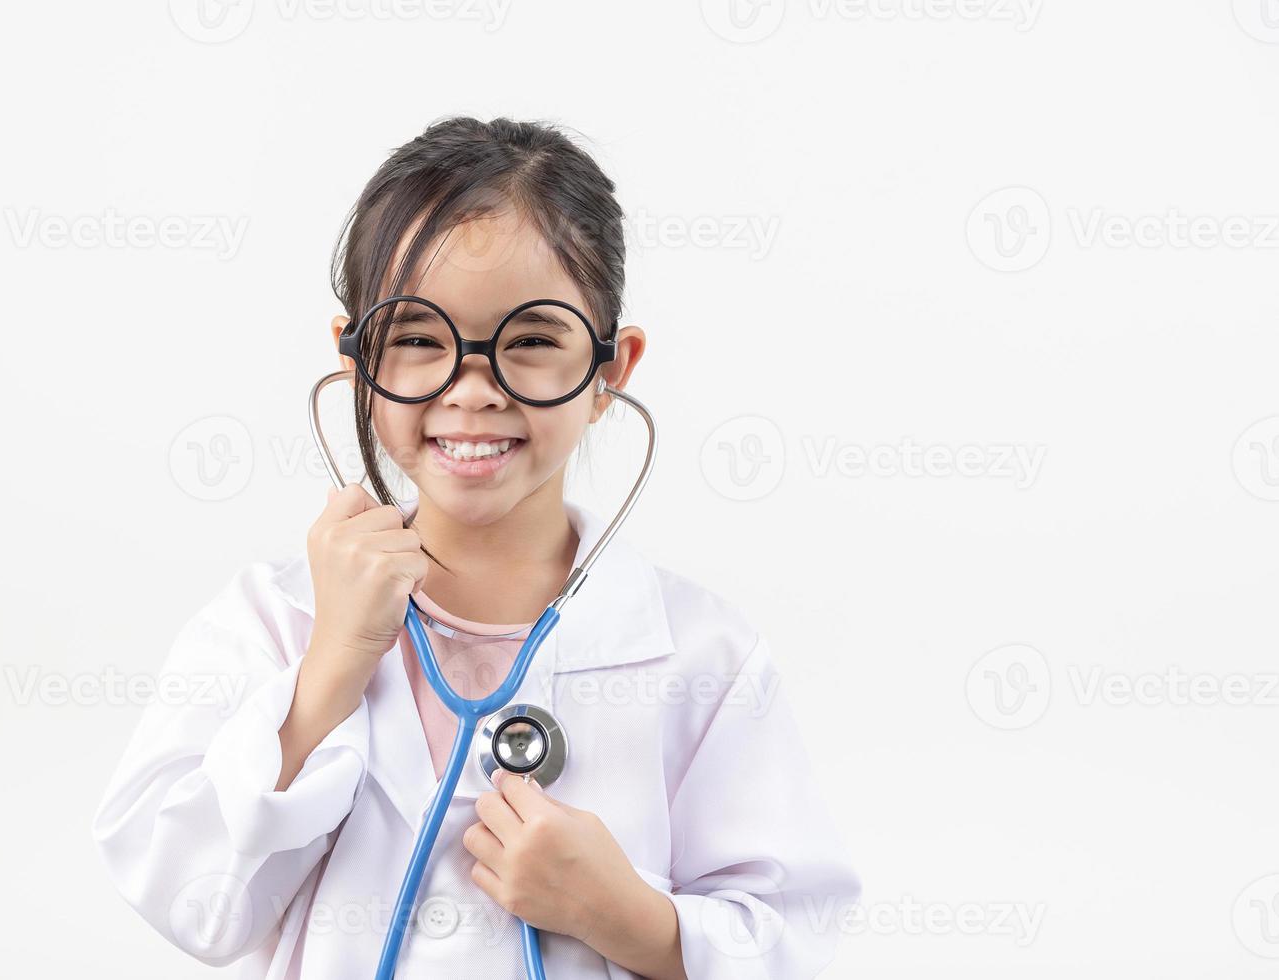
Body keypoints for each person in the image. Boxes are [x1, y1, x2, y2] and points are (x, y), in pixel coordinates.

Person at [92, 115, 859, 979]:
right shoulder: (272, 622)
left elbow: (795, 940)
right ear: (355, 362)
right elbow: (188, 901)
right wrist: (328, 672)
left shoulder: (703, 655)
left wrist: (629, 918)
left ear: (610, 370)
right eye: (418, 339)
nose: (472, 388)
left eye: (532, 341)